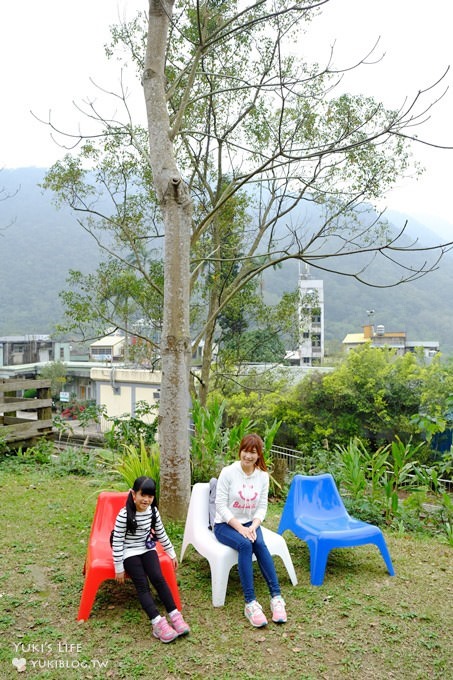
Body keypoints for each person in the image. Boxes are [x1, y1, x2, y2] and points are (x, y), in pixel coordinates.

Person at [213, 433, 287, 627]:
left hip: (250, 524)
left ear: (259, 455)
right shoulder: (228, 472)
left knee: (260, 543)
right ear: (240, 451)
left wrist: (253, 525)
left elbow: (262, 506)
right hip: (225, 524)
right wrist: (240, 528)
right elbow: (220, 505)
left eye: (253, 452)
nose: (248, 456)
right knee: (246, 545)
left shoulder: (262, 477)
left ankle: (276, 597)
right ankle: (250, 603)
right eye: (245, 451)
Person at [111, 476, 190, 643]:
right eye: (143, 495)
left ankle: (175, 615)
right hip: (129, 552)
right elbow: (117, 541)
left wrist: (171, 552)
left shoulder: (153, 511)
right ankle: (157, 623)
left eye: (150, 496)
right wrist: (118, 567)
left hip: (146, 548)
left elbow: (160, 533)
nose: (146, 500)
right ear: (133, 494)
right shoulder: (124, 515)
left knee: (158, 578)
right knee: (142, 585)